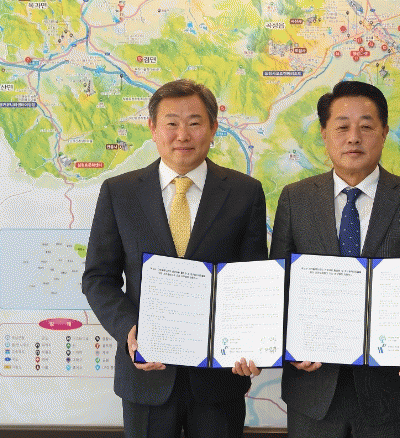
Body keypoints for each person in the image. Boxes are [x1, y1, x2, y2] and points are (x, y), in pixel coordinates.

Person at [82, 79, 267, 438]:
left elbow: (254, 281)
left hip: (219, 378)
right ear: (153, 128)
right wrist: (129, 330)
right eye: (171, 123)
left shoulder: (245, 193)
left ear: (213, 128)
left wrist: (254, 343)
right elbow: (98, 278)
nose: (182, 134)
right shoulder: (120, 192)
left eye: (195, 123)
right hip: (146, 375)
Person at [269, 80, 400, 437]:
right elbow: (278, 286)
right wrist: (289, 344)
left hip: (392, 390)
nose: (353, 138)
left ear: (384, 133)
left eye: (366, 127)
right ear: (324, 134)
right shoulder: (295, 199)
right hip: (313, 390)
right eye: (342, 127)